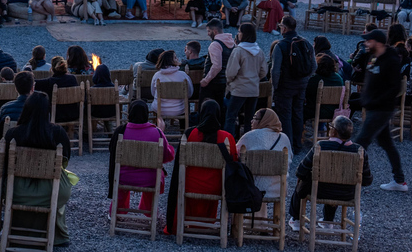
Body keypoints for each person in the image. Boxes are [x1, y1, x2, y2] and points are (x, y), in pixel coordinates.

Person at [3, 92, 72, 247]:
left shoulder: (13, 133)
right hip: (51, 192)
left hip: (18, 190)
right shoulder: (58, 132)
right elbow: (65, 161)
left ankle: (17, 230)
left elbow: (5, 163)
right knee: (62, 182)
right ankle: (55, 235)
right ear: (47, 110)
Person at [288, 116, 372, 231]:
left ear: (334, 131)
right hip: (346, 194)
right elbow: (367, 180)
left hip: (319, 191)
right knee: (336, 181)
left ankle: (296, 219)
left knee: (303, 181)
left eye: (330, 126)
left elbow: (300, 171)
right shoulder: (359, 150)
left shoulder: (321, 146)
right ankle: (328, 221)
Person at [165, 100, 237, 233]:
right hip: (216, 187)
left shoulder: (189, 134)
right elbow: (234, 162)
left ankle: (185, 223)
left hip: (190, 185)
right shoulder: (227, 138)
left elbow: (179, 163)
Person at [353, 29, 407, 191]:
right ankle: (399, 181)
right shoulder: (374, 57)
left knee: (360, 143)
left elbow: (394, 88)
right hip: (373, 106)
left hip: (381, 109)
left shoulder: (391, 60)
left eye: (368, 41)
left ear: (378, 42)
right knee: (387, 143)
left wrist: (374, 101)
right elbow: (371, 82)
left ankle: (350, 180)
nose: (366, 44)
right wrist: (361, 100)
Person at [108, 100, 175, 215]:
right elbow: (166, 157)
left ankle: (116, 211)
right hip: (150, 179)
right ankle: (149, 210)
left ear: (130, 113)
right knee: (158, 173)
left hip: (124, 177)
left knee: (122, 181)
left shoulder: (121, 132)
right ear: (146, 114)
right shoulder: (156, 132)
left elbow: (112, 151)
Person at [271, 16, 316, 152]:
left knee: (285, 115)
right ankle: (297, 144)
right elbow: (314, 66)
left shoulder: (280, 45)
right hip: (301, 85)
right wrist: (305, 79)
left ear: (284, 28)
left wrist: (275, 86)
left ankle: (287, 146)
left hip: (285, 86)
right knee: (298, 113)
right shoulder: (306, 43)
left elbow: (275, 70)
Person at [236, 109, 292, 213]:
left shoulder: (249, 136)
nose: (251, 121)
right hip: (277, 188)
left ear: (264, 121)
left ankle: (236, 223)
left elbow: (235, 154)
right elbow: (290, 160)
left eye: (255, 119)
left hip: (252, 189)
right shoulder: (284, 138)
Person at [224, 23, 267, 137]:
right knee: (250, 119)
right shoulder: (259, 51)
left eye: (239, 32)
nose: (238, 34)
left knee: (231, 117)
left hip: (239, 88)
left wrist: (230, 81)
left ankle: (229, 143)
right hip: (253, 89)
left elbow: (231, 72)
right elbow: (263, 71)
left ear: (244, 34)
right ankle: (248, 143)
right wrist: (255, 78)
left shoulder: (239, 51)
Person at [200, 19, 235, 114]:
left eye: (209, 31)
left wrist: (206, 80)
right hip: (226, 81)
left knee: (207, 108)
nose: (208, 34)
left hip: (213, 83)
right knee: (221, 109)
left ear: (215, 31)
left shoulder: (215, 44)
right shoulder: (232, 43)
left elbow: (217, 66)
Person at [150, 50, 194, 125]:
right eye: (175, 58)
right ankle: (183, 129)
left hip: (160, 108)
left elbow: (153, 92)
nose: (178, 59)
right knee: (185, 105)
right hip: (179, 109)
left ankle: (159, 130)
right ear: (171, 61)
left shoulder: (157, 75)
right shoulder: (182, 75)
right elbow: (189, 93)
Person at [35, 56, 79, 123]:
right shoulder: (73, 79)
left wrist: (28, 70)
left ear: (52, 69)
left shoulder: (50, 82)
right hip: (73, 114)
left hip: (56, 116)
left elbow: (32, 83)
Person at [304, 54, 344, 123]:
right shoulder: (338, 78)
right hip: (335, 111)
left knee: (298, 109)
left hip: (318, 112)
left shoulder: (315, 80)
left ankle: (299, 131)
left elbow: (306, 94)